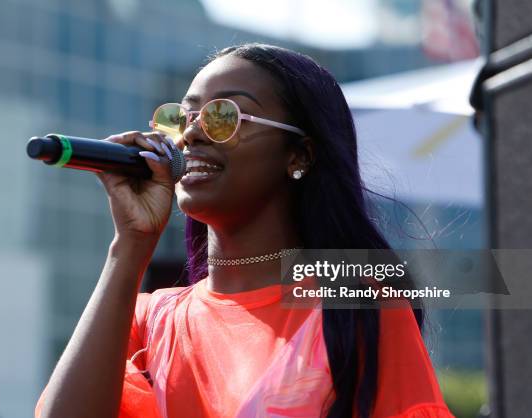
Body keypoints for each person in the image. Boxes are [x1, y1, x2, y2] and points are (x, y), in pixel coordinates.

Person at [34, 43, 454, 418]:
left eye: (223, 116)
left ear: (299, 155)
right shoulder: (149, 318)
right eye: (181, 118)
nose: (193, 134)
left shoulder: (357, 303)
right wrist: (130, 244)